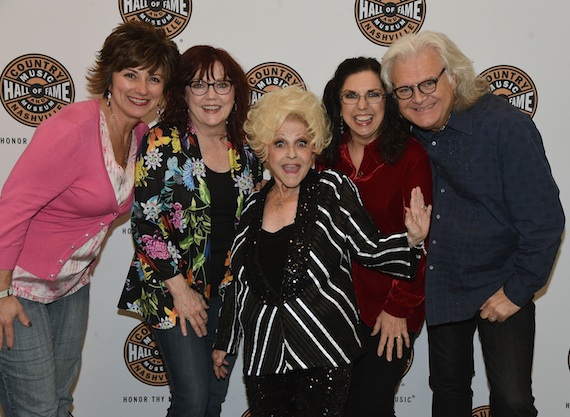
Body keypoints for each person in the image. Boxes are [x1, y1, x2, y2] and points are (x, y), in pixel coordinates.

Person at [211, 86, 431, 417]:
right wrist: (225, 343)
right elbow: (239, 284)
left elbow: (369, 248)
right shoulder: (252, 206)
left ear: (314, 147)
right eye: (280, 143)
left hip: (323, 351)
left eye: (302, 143)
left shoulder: (333, 190)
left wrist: (411, 240)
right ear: (263, 150)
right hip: (263, 358)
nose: (292, 155)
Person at [381, 31, 565, 417]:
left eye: (428, 82)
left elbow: (545, 220)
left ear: (453, 76)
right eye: (405, 90)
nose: (419, 98)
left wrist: (517, 291)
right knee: (448, 393)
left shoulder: (505, 127)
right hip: (444, 281)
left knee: (513, 401)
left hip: (503, 280)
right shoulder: (403, 134)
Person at [0, 21, 179, 417]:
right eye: (130, 74)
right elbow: (10, 209)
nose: (141, 88)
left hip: (72, 286)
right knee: (36, 409)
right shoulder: (71, 129)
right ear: (109, 76)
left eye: (154, 78)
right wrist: (1, 293)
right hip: (19, 287)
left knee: (62, 402)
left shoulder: (140, 136)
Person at [117, 45, 263, 417]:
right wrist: (180, 290)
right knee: (193, 399)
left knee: (214, 398)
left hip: (227, 295)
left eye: (222, 85)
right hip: (172, 291)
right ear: (182, 92)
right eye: (199, 85)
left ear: (236, 92)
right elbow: (145, 222)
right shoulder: (162, 141)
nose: (212, 95)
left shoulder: (245, 150)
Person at [318, 57, 432, 417]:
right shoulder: (322, 159)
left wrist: (398, 308)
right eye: (351, 95)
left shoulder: (411, 156)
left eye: (373, 95)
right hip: (333, 311)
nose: (362, 106)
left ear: (388, 101)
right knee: (338, 407)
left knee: (371, 406)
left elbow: (423, 242)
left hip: (389, 310)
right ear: (337, 103)